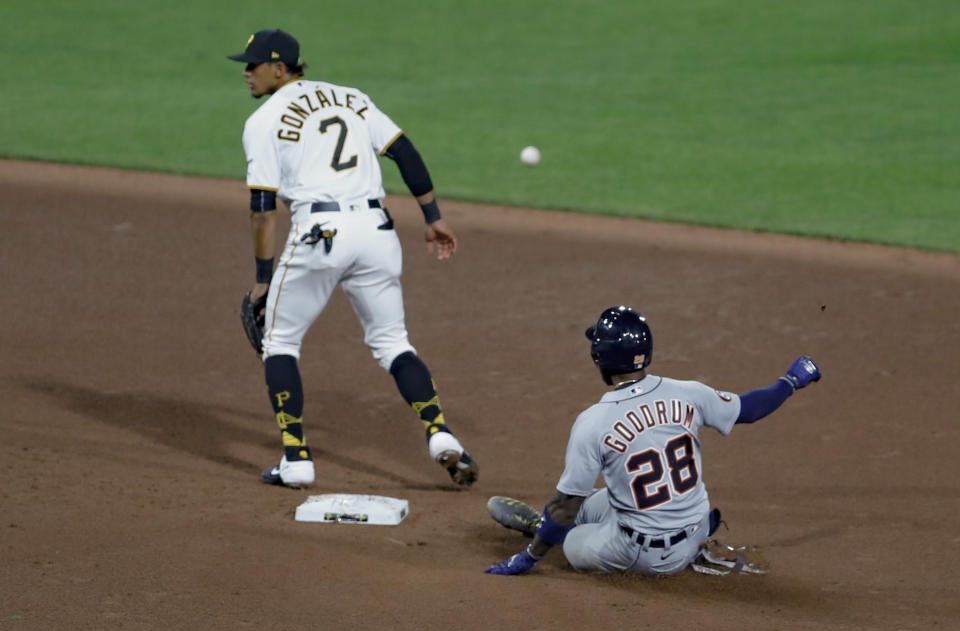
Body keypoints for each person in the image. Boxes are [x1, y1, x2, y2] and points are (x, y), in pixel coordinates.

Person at [227, 29, 478, 489]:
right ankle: (440, 434)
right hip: (377, 232)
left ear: (279, 69)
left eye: (253, 64)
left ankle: (296, 459)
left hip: (320, 233)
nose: (245, 72)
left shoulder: (262, 121)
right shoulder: (352, 98)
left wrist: (264, 278)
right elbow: (404, 152)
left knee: (279, 342)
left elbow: (262, 210)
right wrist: (433, 217)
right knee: (393, 343)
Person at [484, 306, 821, 575]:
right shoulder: (689, 392)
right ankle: (551, 528)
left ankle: (543, 532)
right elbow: (749, 409)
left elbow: (565, 505)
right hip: (697, 526)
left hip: (643, 554)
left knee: (571, 537)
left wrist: (530, 556)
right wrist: (790, 381)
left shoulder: (593, 422)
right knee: (592, 503)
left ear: (600, 358)